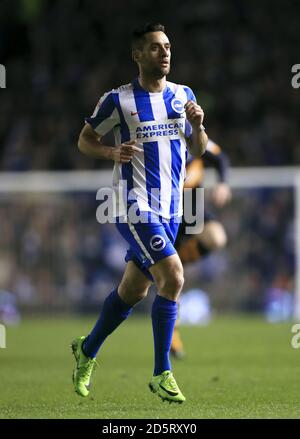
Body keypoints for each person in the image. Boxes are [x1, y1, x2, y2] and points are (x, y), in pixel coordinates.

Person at [71, 23, 207, 404]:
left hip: (171, 209)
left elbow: (199, 149)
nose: (164, 53)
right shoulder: (118, 100)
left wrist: (197, 127)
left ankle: (87, 349)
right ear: (137, 55)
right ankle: (162, 372)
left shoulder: (184, 96)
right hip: (132, 203)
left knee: (133, 290)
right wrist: (110, 153)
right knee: (174, 275)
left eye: (167, 47)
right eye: (154, 48)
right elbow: (85, 140)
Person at [171, 139, 232, 357]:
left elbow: (220, 157)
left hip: (193, 207)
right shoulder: (160, 142)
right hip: (168, 211)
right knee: (171, 281)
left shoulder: (195, 138)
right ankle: (172, 335)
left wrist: (223, 183)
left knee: (216, 237)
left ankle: (175, 261)